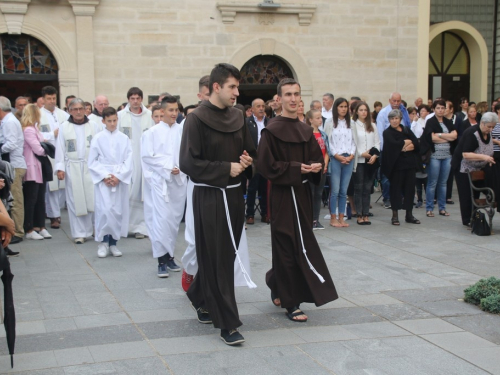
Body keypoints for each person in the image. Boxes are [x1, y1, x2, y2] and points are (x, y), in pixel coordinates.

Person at [179, 63, 256, 346]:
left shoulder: (238, 116)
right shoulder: (196, 119)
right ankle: (228, 323)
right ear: (215, 87)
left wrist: (247, 163)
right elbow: (187, 162)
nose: (237, 92)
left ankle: (198, 295)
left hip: (234, 196)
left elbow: (249, 152)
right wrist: (227, 168)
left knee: (226, 256)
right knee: (215, 257)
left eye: (237, 87)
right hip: (209, 197)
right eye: (232, 87)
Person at [257, 78, 338, 323]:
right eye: (288, 94)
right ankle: (291, 303)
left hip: (302, 195)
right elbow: (265, 165)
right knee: (285, 245)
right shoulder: (271, 130)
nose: (293, 99)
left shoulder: (305, 130)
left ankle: (275, 280)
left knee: (301, 243)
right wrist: (295, 168)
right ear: (279, 99)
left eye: (297, 94)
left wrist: (315, 168)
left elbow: (316, 159)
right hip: (282, 195)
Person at [141, 97, 187, 276]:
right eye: (171, 110)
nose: (174, 114)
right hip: (161, 182)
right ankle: (161, 260)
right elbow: (147, 157)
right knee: (161, 220)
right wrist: (169, 167)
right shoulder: (152, 133)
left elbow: (187, 153)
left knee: (173, 222)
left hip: (179, 182)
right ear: (163, 111)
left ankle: (169, 256)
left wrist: (180, 168)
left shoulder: (182, 131)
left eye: (176, 110)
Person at [55, 98, 102, 243]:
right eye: (75, 109)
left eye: (81, 108)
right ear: (69, 111)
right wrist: (60, 168)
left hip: (91, 167)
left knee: (93, 198)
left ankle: (96, 229)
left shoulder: (94, 125)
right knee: (75, 200)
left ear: (86, 109)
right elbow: (60, 148)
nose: (78, 112)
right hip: (73, 167)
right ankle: (79, 233)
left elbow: (101, 147)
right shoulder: (64, 127)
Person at [88, 107, 133, 258]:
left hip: (118, 178)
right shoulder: (98, 138)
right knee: (104, 210)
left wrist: (118, 177)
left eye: (115, 120)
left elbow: (128, 160)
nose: (113, 124)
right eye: (109, 121)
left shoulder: (124, 138)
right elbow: (92, 161)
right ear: (103, 121)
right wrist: (105, 175)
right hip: (104, 179)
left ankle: (114, 243)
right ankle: (103, 242)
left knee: (117, 211)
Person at [180, 75, 210, 292]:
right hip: (198, 186)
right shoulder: (192, 122)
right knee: (195, 235)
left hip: (222, 188)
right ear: (200, 96)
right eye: (208, 95)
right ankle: (190, 270)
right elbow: (184, 160)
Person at [118, 87, 153, 239]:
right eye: (132, 98)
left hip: (144, 159)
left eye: (138, 98)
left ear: (141, 99)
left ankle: (141, 227)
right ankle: (125, 226)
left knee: (142, 192)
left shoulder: (149, 116)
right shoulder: (120, 116)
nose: (135, 101)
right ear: (128, 100)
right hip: (128, 158)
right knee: (129, 191)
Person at [452, 112, 497, 226]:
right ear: (482, 123)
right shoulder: (472, 133)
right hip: (464, 167)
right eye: (489, 126)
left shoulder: (488, 133)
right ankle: (468, 220)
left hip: (479, 167)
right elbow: (466, 154)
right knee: (467, 194)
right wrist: (484, 157)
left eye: (493, 127)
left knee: (477, 192)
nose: (491, 129)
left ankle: (474, 216)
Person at [381, 109, 421, 226]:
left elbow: (416, 143)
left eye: (396, 118)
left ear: (400, 119)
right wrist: (406, 144)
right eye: (392, 119)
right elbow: (394, 145)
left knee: (409, 189)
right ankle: (395, 216)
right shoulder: (387, 132)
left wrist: (405, 144)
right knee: (396, 190)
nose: (394, 121)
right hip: (396, 166)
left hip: (409, 164)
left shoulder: (406, 129)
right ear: (389, 120)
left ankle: (409, 214)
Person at [39, 86, 70, 229]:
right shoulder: (38, 115)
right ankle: (54, 216)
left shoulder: (63, 114)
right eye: (49, 99)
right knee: (51, 187)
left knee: (63, 185)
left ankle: (62, 211)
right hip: (49, 154)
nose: (52, 101)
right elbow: (35, 135)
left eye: (53, 98)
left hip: (63, 153)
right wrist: (52, 134)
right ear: (43, 99)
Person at [420, 100, 457, 218]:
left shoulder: (448, 121)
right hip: (435, 156)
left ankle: (442, 208)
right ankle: (429, 208)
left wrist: (440, 135)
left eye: (442, 108)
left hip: (447, 156)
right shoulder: (430, 122)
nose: (441, 110)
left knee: (443, 183)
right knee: (432, 183)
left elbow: (455, 136)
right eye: (438, 108)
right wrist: (447, 137)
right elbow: (431, 138)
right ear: (434, 109)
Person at [21, 104, 51, 240]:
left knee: (40, 198)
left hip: (39, 167)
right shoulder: (28, 130)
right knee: (31, 199)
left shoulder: (35, 128)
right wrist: (48, 149)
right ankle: (29, 228)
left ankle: (40, 226)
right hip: (32, 167)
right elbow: (38, 149)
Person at [324, 98, 356, 227]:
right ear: (336, 108)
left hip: (349, 157)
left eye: (345, 107)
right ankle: (333, 218)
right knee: (335, 189)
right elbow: (328, 141)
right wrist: (336, 155)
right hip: (336, 158)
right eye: (340, 106)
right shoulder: (330, 122)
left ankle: (342, 216)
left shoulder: (351, 123)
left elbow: (355, 141)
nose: (343, 109)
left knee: (344, 190)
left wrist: (352, 155)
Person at [377, 92, 411, 209]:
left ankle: (399, 197)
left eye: (398, 101)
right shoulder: (383, 113)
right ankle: (387, 198)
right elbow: (380, 133)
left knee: (400, 175)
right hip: (387, 148)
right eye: (394, 101)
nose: (396, 103)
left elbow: (407, 128)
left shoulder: (403, 112)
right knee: (387, 176)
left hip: (401, 148)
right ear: (389, 100)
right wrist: (383, 150)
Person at [0, 96, 27, 245]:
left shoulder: (9, 122)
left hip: (15, 164)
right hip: (12, 164)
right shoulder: (7, 121)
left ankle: (18, 231)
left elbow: (11, 144)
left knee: (16, 199)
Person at [352, 102, 379, 225]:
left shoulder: (372, 125)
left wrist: (374, 154)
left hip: (371, 161)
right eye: (361, 110)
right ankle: (359, 214)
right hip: (359, 160)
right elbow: (352, 143)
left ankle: (366, 213)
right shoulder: (353, 125)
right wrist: (361, 153)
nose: (363, 112)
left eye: (365, 110)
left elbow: (377, 142)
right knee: (359, 187)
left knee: (367, 188)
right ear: (356, 111)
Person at [245, 98, 268, 225]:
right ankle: (250, 214)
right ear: (252, 109)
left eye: (263, 106)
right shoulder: (247, 123)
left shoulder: (269, 122)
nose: (261, 108)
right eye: (258, 106)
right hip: (253, 159)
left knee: (264, 188)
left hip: (265, 160)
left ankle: (265, 213)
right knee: (252, 188)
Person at [306, 109, 329, 230]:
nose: (320, 120)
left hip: (322, 168)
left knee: (318, 194)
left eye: (321, 118)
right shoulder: (307, 134)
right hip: (311, 169)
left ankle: (316, 219)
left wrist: (324, 164)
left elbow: (327, 151)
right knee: (310, 193)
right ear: (310, 120)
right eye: (317, 118)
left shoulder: (323, 134)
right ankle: (308, 219)